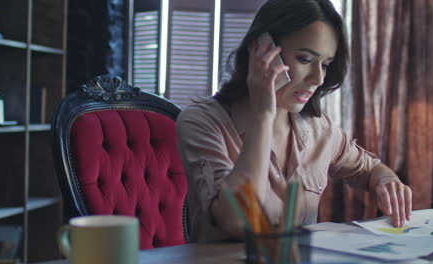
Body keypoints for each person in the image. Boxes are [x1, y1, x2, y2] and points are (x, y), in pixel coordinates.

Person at [176, 0, 412, 243]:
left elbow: (371, 169)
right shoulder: (201, 123)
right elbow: (238, 220)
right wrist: (263, 117)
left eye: (326, 65)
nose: (318, 78)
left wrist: (387, 180)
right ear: (261, 51)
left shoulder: (320, 129)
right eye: (305, 59)